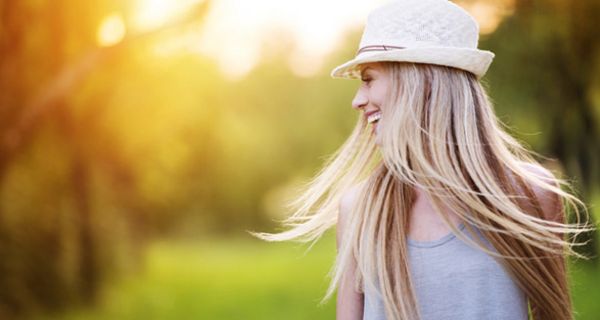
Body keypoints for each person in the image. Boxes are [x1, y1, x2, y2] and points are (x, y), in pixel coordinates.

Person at [250, 0, 593, 319]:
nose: (358, 100)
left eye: (369, 79)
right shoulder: (359, 208)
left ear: (422, 83)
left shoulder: (532, 195)